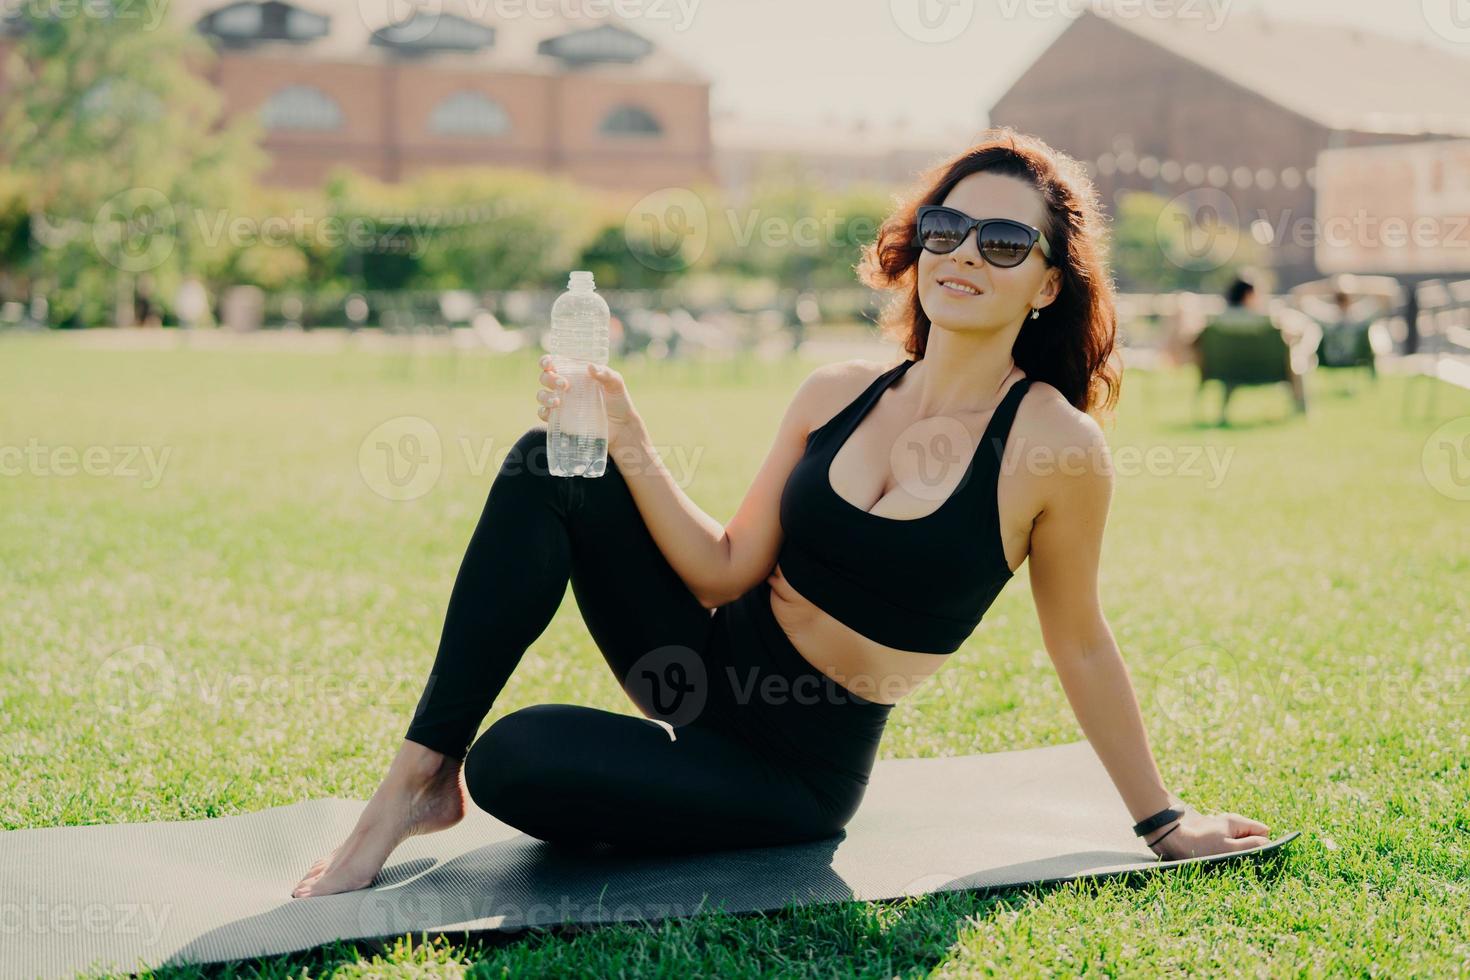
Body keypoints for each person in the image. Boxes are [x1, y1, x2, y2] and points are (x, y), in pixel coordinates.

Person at [292, 128, 1272, 899]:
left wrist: (1161, 820)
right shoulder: (835, 391)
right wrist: (627, 429)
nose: (964, 253)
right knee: (554, 459)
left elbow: (1083, 644)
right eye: (945, 228)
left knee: (522, 754)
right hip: (700, 668)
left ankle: (489, 771)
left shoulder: (1054, 448)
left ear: (1049, 282)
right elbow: (721, 568)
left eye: (1004, 240)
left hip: (790, 771)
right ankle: (416, 782)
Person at [1192, 273, 1318, 413]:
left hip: (1228, 371)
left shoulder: (1215, 321)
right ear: (1249, 295)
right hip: (1269, 370)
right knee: (1297, 361)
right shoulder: (1271, 318)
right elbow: (1303, 330)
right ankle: (1302, 410)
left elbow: (1195, 343)